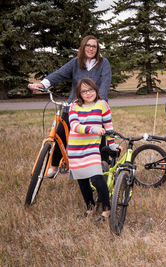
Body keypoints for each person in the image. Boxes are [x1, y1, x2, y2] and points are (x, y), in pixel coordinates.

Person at [28, 35, 112, 178]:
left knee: (100, 134)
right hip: (75, 106)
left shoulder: (103, 64)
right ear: (83, 47)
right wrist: (43, 84)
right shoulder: (75, 63)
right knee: (61, 132)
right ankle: (54, 165)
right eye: (88, 45)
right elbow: (59, 74)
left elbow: (104, 85)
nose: (91, 48)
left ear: (97, 49)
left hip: (95, 107)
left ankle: (102, 164)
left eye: (94, 46)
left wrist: (98, 104)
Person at [68, 78, 120, 221]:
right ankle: (90, 207)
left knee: (97, 178)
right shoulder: (74, 106)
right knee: (83, 180)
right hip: (75, 149)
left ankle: (106, 209)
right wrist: (93, 129)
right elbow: (74, 126)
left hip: (91, 147)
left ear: (95, 90)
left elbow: (108, 127)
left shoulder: (102, 105)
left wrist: (112, 145)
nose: (88, 93)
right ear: (79, 93)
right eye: (84, 91)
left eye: (90, 89)